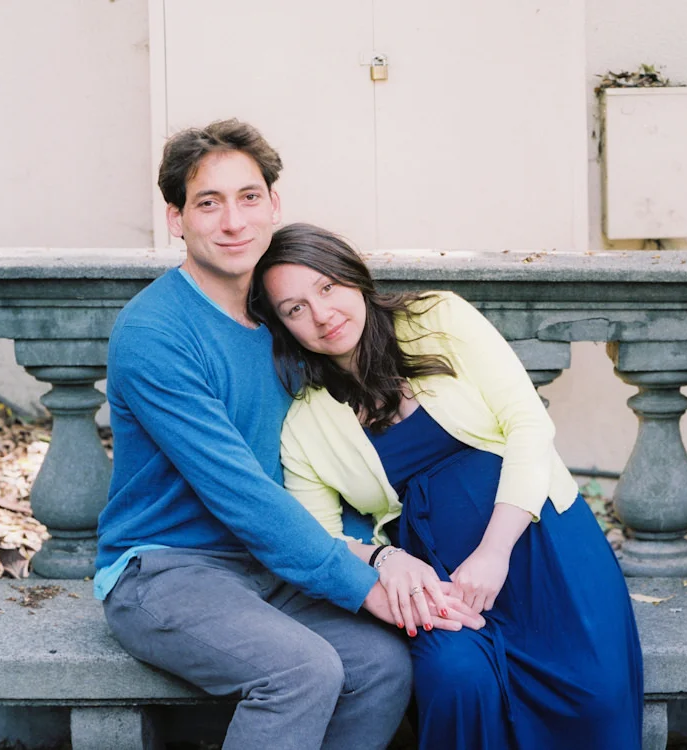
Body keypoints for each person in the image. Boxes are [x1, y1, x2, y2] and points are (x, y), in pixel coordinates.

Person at [94, 119, 479, 750]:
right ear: (175, 219)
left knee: (381, 668)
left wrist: (377, 554)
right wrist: (362, 582)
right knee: (300, 671)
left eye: (248, 197)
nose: (233, 222)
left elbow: (319, 459)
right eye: (208, 203)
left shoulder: (282, 317)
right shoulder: (155, 332)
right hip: (165, 571)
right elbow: (240, 492)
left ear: (273, 204)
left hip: (268, 566)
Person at [252, 222, 645, 750]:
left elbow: (528, 424)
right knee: (457, 680)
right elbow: (316, 539)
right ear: (283, 327)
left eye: (327, 286)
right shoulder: (305, 423)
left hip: (539, 544)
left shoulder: (438, 318)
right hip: (440, 591)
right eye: (295, 308)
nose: (322, 314)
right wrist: (384, 560)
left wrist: (494, 552)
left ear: (354, 276)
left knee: (594, 699)